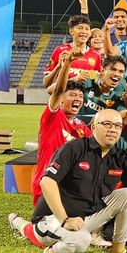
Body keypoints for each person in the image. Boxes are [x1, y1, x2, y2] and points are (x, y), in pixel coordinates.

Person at [29, 109, 127, 253]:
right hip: (52, 220)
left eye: (117, 126)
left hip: (84, 219)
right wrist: (65, 219)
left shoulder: (117, 155)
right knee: (81, 240)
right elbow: (47, 182)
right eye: (107, 124)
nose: (113, 129)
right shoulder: (75, 147)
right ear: (93, 127)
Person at [32, 47, 92, 206]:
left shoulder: (81, 126)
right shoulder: (53, 116)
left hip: (71, 188)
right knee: (54, 223)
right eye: (72, 94)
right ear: (61, 99)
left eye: (80, 96)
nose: (77, 98)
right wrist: (68, 62)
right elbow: (58, 90)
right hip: (47, 185)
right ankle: (19, 220)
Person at [43, 15, 102, 88]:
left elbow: (98, 82)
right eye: (80, 28)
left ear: (90, 33)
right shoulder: (60, 50)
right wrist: (58, 66)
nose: (84, 31)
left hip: (85, 95)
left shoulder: (96, 55)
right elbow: (46, 84)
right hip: (63, 94)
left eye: (87, 29)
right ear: (71, 31)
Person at [77, 56, 127, 125]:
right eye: (113, 69)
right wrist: (75, 79)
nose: (117, 74)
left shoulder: (116, 99)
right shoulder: (86, 83)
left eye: (121, 72)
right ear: (102, 71)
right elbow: (65, 93)